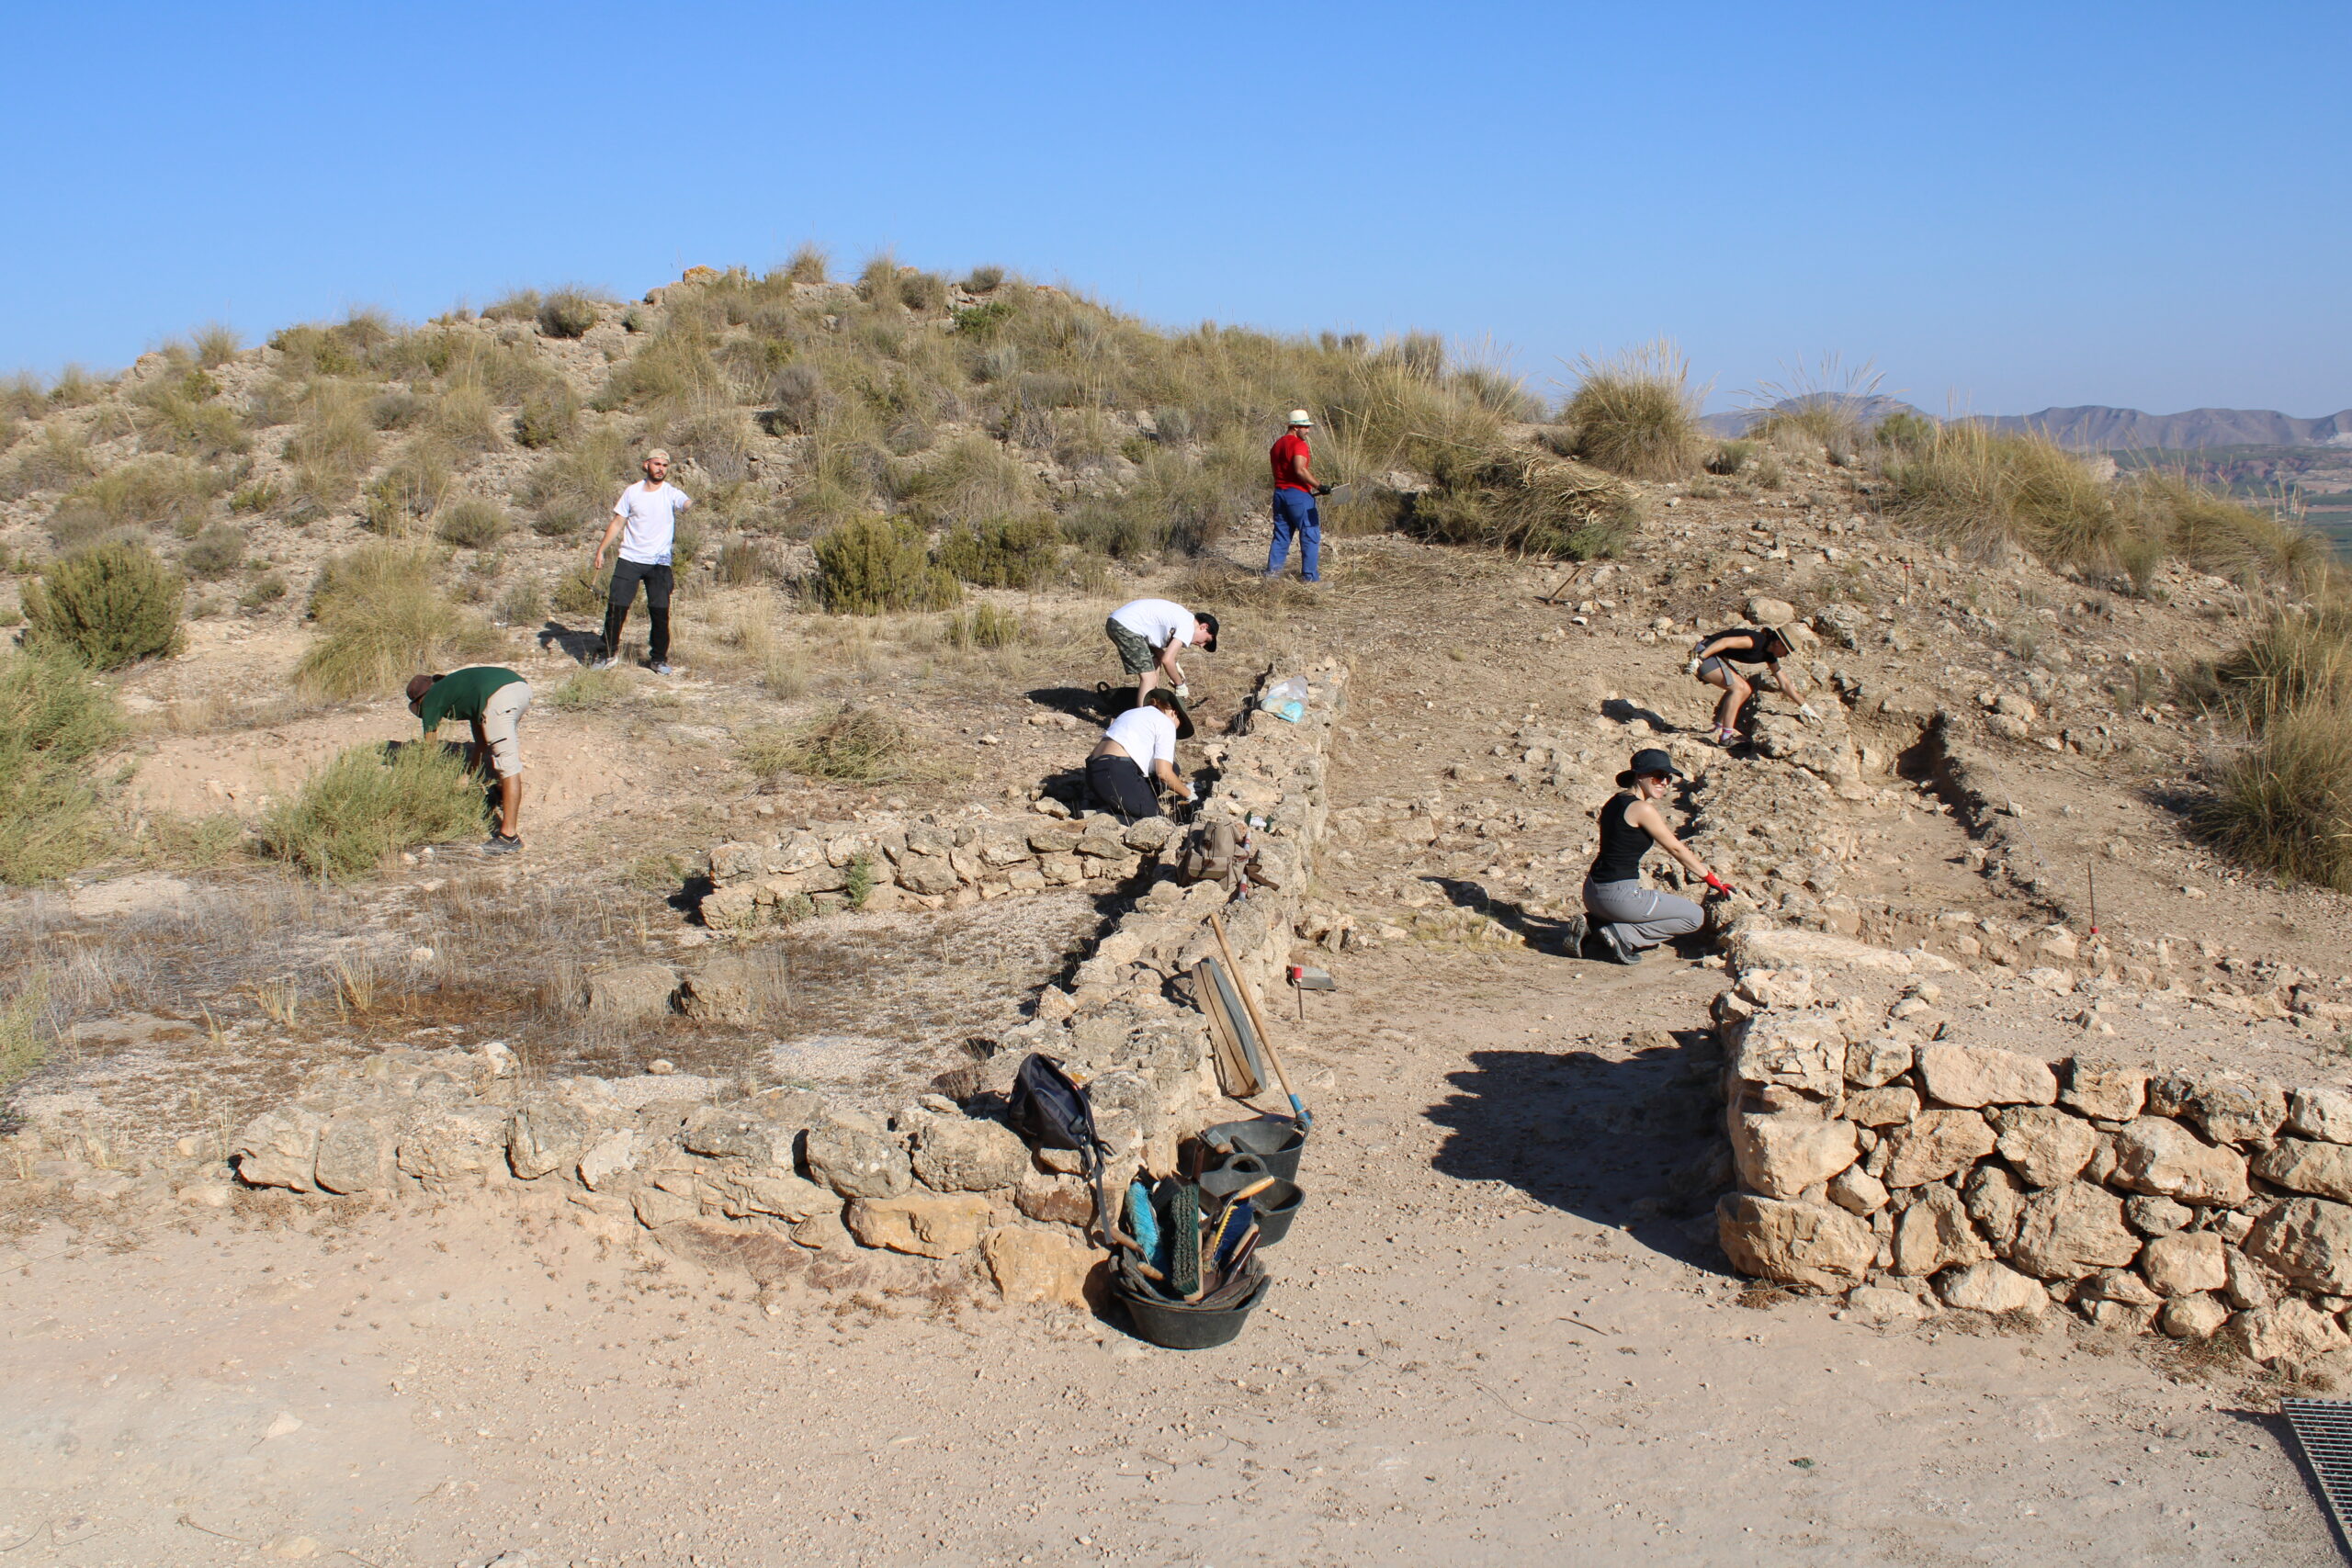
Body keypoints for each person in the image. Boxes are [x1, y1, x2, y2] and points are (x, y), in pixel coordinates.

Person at [1565, 749, 1731, 964]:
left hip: (1592, 892)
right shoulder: (1641, 808)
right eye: (1658, 776)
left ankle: (1593, 926)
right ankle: (1622, 935)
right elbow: (1676, 849)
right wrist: (1711, 879)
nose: (1664, 783)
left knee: (1648, 903)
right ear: (1639, 775)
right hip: (1619, 896)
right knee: (1694, 916)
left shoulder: (1615, 801)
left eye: (1668, 778)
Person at [406, 666, 534, 855]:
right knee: (500, 749)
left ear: (420, 700)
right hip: (520, 688)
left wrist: (429, 785)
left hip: (500, 697)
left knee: (507, 763)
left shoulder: (431, 699)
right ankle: (500, 793)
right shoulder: (460, 690)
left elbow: (430, 749)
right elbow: (481, 742)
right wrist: (469, 776)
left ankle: (509, 837)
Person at [592, 448, 693, 674]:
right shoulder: (632, 492)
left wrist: (692, 504)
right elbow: (618, 523)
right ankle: (607, 653)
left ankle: (658, 659)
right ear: (647, 464)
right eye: (657, 464)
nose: (661, 469)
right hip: (630, 558)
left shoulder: (670, 492)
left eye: (665, 465)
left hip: (659, 563)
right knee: (616, 608)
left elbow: (685, 503)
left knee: (659, 611)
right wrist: (601, 550)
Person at [1687, 625, 1819, 746]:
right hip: (1705, 652)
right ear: (1779, 643)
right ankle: (1726, 737)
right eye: (1787, 651)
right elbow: (1724, 642)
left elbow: (1784, 682)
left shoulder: (1769, 655)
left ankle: (1719, 727)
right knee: (1739, 688)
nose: (1785, 655)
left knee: (1745, 690)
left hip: (1714, 657)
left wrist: (1804, 706)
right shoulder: (1756, 641)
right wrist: (1699, 659)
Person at [1085, 687, 1195, 821]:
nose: (1177, 728)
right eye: (1180, 724)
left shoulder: (1131, 713)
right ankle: (1103, 818)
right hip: (1117, 772)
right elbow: (1164, 774)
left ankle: (1122, 806)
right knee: (1154, 820)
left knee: (1174, 768)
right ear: (1175, 713)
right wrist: (1189, 795)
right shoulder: (1166, 722)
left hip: (1093, 773)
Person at [1103, 597, 1217, 705]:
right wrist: (1180, 685)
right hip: (1125, 626)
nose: (1202, 645)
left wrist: (1175, 666)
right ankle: (1141, 720)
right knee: (1149, 678)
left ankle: (1152, 704)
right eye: (1206, 640)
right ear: (1203, 627)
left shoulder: (1184, 618)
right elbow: (1167, 660)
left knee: (1155, 663)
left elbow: (1159, 653)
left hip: (1120, 621)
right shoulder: (1189, 627)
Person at [1267, 409, 1332, 582]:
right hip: (1298, 495)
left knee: (1281, 535)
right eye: (1305, 427)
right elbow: (1300, 469)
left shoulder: (1277, 445)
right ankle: (1310, 579)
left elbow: (1276, 472)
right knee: (1310, 534)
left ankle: (1271, 578)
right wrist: (1320, 486)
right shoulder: (1299, 445)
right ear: (1295, 427)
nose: (1308, 431)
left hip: (1279, 494)